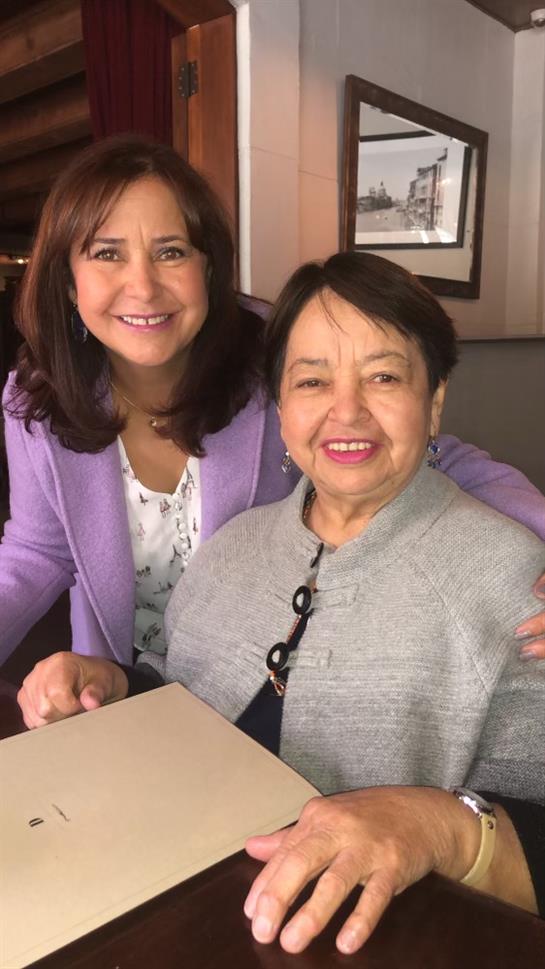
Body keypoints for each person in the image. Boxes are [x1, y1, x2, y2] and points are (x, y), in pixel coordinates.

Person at [18, 253, 545, 954]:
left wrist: (443, 826)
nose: (345, 410)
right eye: (312, 380)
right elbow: (183, 692)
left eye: (384, 377)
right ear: (281, 405)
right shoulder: (232, 548)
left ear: (435, 400)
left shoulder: (511, 580)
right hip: (165, 906)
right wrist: (113, 685)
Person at [2, 134, 544, 677]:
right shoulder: (39, 401)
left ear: (208, 269)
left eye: (171, 251)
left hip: (262, 673)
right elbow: (36, 553)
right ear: (68, 281)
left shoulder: (274, 357)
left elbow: (414, 446)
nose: (142, 287)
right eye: (107, 253)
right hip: (117, 683)